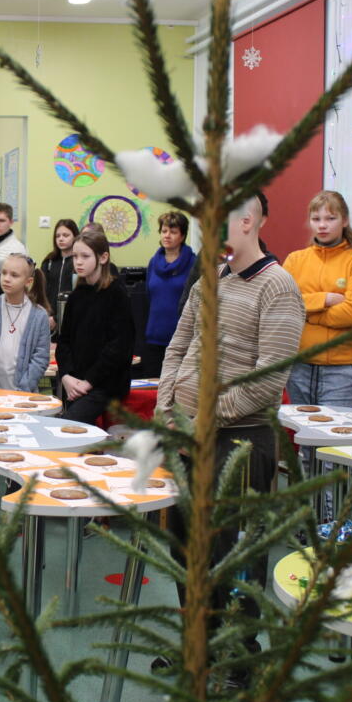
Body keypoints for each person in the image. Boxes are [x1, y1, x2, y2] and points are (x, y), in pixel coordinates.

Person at [156, 193, 305, 676]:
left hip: (241, 440)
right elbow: (179, 345)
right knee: (185, 547)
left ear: (245, 222)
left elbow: (269, 378)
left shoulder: (278, 286)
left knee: (233, 553)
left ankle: (239, 657)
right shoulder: (210, 278)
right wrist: (166, 408)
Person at [283, 191, 352, 410]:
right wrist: (325, 299)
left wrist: (307, 314)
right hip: (299, 367)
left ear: (345, 220)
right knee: (301, 431)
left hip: (343, 371)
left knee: (337, 432)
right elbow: (283, 305)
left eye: (330, 218)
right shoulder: (295, 260)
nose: (322, 225)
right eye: (316, 219)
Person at [55, 231, 135, 424]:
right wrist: (66, 376)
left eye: (85, 256)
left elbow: (118, 348)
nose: (78, 262)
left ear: (103, 258)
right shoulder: (76, 296)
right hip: (75, 383)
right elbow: (63, 341)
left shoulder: (116, 294)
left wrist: (89, 382)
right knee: (67, 426)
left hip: (105, 385)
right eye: (75, 256)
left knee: (69, 424)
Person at [0, 253, 51, 393]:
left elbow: (41, 357)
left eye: (14, 275)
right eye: (4, 273)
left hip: (24, 395)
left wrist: (22, 390)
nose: (6, 279)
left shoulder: (39, 315)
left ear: (28, 281)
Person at [142, 211, 197, 377]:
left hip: (182, 339)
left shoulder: (193, 263)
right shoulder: (153, 262)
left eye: (173, 232)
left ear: (182, 236)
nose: (167, 235)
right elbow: (149, 296)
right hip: (154, 337)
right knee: (153, 385)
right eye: (164, 231)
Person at [41, 218, 79, 323]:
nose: (61, 239)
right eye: (58, 236)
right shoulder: (49, 261)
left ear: (75, 236)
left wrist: (57, 318)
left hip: (71, 317)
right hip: (47, 317)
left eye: (66, 235)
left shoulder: (79, 262)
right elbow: (41, 291)